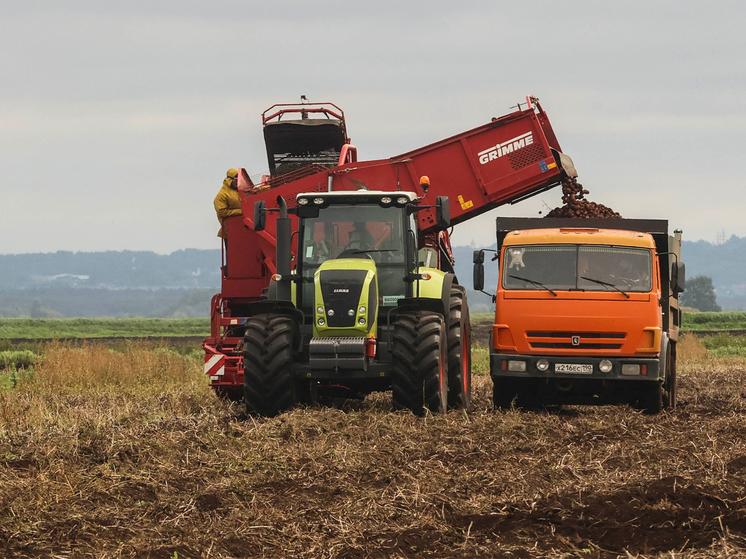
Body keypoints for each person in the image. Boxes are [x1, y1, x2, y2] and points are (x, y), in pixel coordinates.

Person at [214, 168, 242, 245]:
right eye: (237, 179)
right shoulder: (222, 195)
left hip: (242, 228)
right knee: (233, 254)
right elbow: (221, 212)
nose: (239, 181)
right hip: (230, 231)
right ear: (230, 180)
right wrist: (242, 211)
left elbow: (254, 190)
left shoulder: (239, 191)